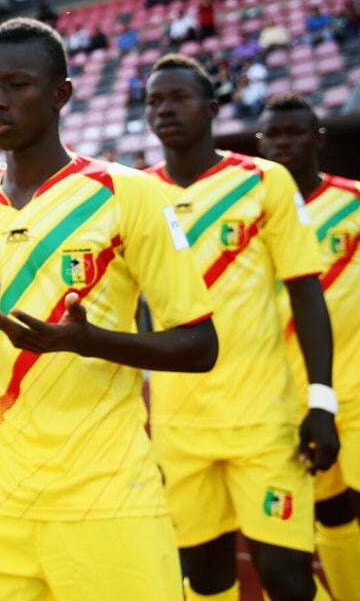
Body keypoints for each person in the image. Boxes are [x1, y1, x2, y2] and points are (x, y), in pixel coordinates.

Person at [0, 18, 218, 600]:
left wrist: (88, 340)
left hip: (106, 495)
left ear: (60, 94)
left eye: (17, 85)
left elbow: (200, 345)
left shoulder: (128, 193)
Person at [143, 54, 339, 601]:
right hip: (178, 428)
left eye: (178, 98)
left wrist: (321, 401)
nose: (164, 110)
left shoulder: (263, 181)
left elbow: (306, 293)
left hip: (264, 422)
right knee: (206, 581)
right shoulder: (136, 193)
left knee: (286, 578)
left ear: (211, 108)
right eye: (154, 101)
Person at [256, 95, 360, 599]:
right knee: (329, 513)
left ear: (318, 139)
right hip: (286, 399)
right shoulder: (250, 214)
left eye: (294, 133)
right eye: (272, 135)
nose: (283, 143)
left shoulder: (353, 200)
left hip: (356, 389)